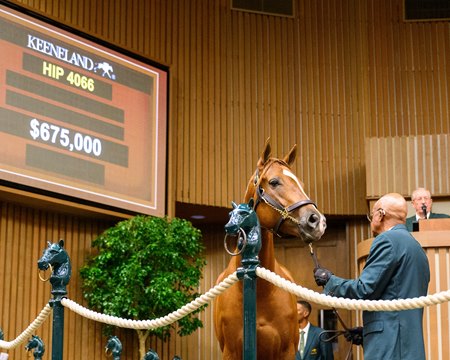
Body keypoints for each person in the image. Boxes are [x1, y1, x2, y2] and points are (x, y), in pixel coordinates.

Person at [313, 193, 430, 360]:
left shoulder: (387, 240)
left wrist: (330, 281)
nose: (371, 220)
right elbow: (396, 297)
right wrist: (366, 331)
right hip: (409, 346)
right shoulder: (417, 249)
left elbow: (364, 289)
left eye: (372, 215)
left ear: (381, 214)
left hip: (389, 347)